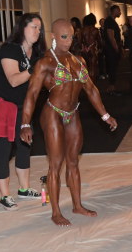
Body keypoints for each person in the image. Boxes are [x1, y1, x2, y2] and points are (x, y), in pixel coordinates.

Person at [20, 19, 118, 226]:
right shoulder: (45, 63)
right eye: (64, 37)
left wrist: (105, 115)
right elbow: (32, 94)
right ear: (53, 37)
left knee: (73, 162)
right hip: (53, 113)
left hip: (72, 113)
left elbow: (91, 89)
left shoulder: (78, 60)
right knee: (55, 163)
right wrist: (25, 123)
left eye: (72, 36)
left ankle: (77, 205)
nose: (68, 41)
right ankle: (56, 212)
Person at [0, 13, 44, 209]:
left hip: (22, 106)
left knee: (25, 145)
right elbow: (13, 80)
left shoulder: (36, 53)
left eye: (39, 28)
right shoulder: (10, 49)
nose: (37, 31)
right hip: (1, 105)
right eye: (33, 27)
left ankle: (24, 189)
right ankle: (5, 196)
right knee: (3, 149)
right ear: (22, 28)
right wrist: (34, 68)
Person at [102, 5, 123, 94]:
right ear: (114, 11)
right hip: (111, 50)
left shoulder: (111, 21)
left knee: (113, 68)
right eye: (119, 10)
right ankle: (111, 88)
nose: (120, 12)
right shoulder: (109, 21)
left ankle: (112, 88)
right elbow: (111, 36)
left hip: (112, 49)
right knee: (112, 68)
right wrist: (116, 48)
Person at [80, 13, 101, 79]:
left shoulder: (82, 30)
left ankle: (86, 81)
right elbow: (99, 41)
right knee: (93, 68)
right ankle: (92, 81)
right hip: (92, 50)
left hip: (84, 50)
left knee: (85, 68)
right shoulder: (96, 30)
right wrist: (100, 48)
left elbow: (80, 41)